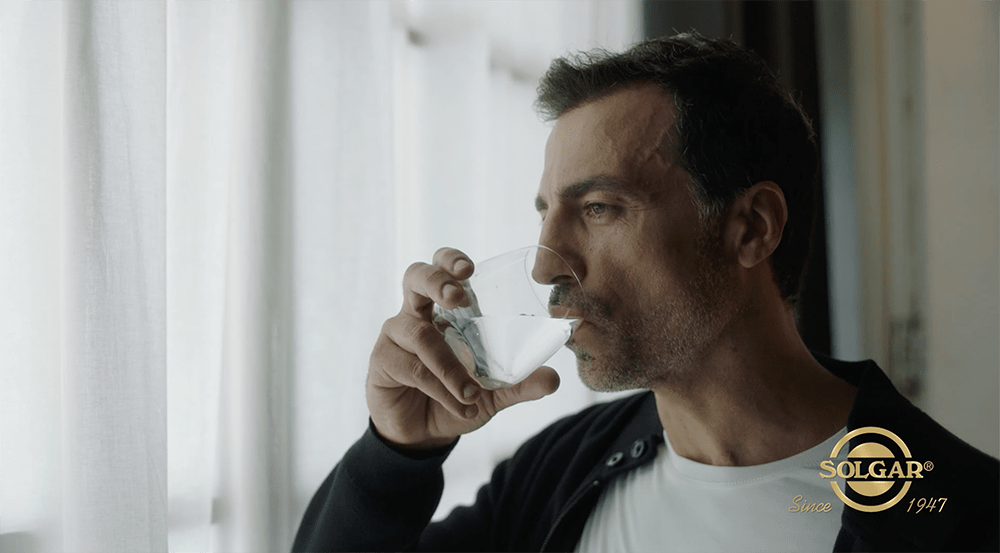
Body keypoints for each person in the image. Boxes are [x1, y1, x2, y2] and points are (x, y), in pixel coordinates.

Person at [292, 34, 999, 553]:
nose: (544, 270)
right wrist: (397, 454)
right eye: (546, 214)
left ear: (752, 227)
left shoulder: (960, 515)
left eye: (599, 208)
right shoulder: (559, 473)